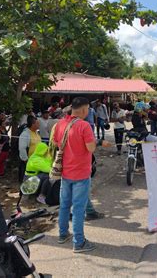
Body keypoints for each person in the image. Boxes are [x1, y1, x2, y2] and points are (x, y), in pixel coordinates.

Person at [54, 97, 105, 253]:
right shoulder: (84, 126)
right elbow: (90, 148)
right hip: (81, 173)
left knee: (64, 206)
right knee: (78, 209)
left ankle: (63, 235)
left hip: (65, 172)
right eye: (88, 109)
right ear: (83, 109)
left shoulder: (60, 124)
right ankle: (79, 242)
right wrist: (99, 142)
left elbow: (57, 143)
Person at [18, 115, 42, 183]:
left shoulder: (36, 133)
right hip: (27, 161)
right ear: (32, 124)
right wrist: (26, 160)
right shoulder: (25, 134)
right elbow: (22, 148)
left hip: (36, 161)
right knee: (25, 180)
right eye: (37, 123)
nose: (39, 125)